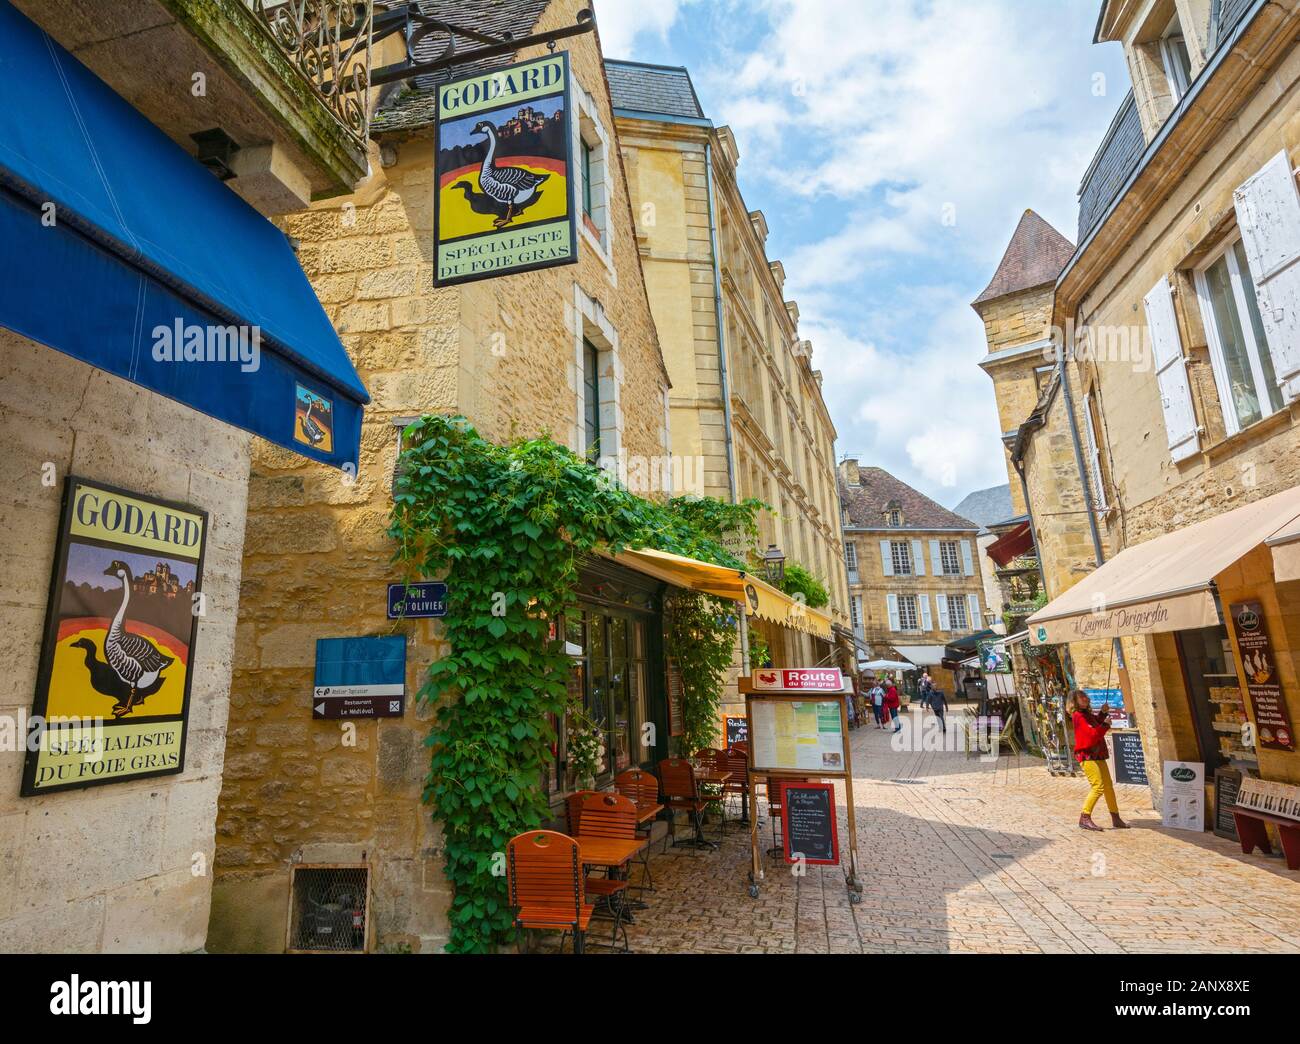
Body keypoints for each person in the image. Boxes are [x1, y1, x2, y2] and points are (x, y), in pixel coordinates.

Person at [1070, 690, 1129, 831]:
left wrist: (1102, 714)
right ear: (1075, 701)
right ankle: (1084, 817)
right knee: (1098, 787)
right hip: (1087, 756)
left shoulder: (1086, 714)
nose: (1085, 699)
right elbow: (1092, 735)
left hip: (1097, 755)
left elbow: (1095, 723)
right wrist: (1106, 724)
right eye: (1081, 698)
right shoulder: (1078, 716)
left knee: (1108, 787)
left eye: (1085, 697)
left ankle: (1115, 818)